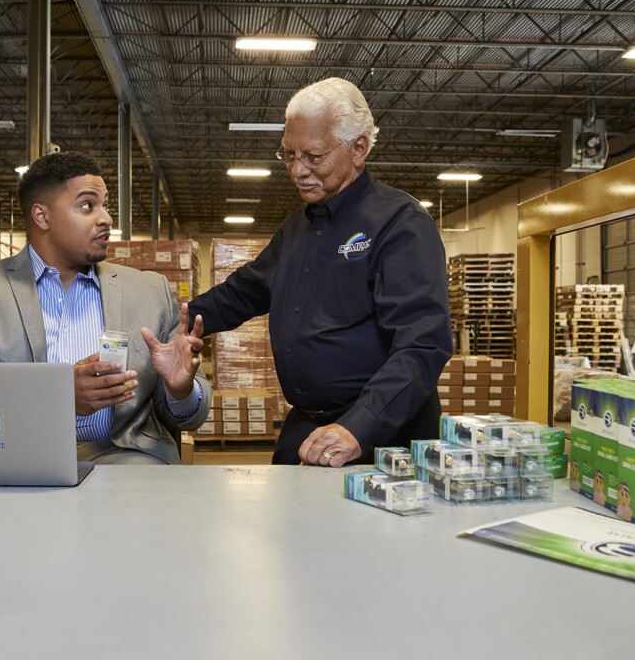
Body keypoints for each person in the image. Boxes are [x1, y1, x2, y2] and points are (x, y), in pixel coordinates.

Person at [187, 77, 452, 468]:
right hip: (308, 426)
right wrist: (179, 322)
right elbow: (244, 291)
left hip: (382, 436)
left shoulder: (400, 224)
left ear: (358, 148)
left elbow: (423, 346)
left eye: (313, 156)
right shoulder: (298, 227)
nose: (297, 170)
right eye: (288, 155)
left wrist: (359, 428)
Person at [0, 151, 211, 464]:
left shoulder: (149, 292)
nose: (106, 218)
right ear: (42, 217)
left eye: (105, 205)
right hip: (15, 462)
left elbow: (189, 416)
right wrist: (57, 397)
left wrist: (180, 390)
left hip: (128, 463)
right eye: (88, 206)